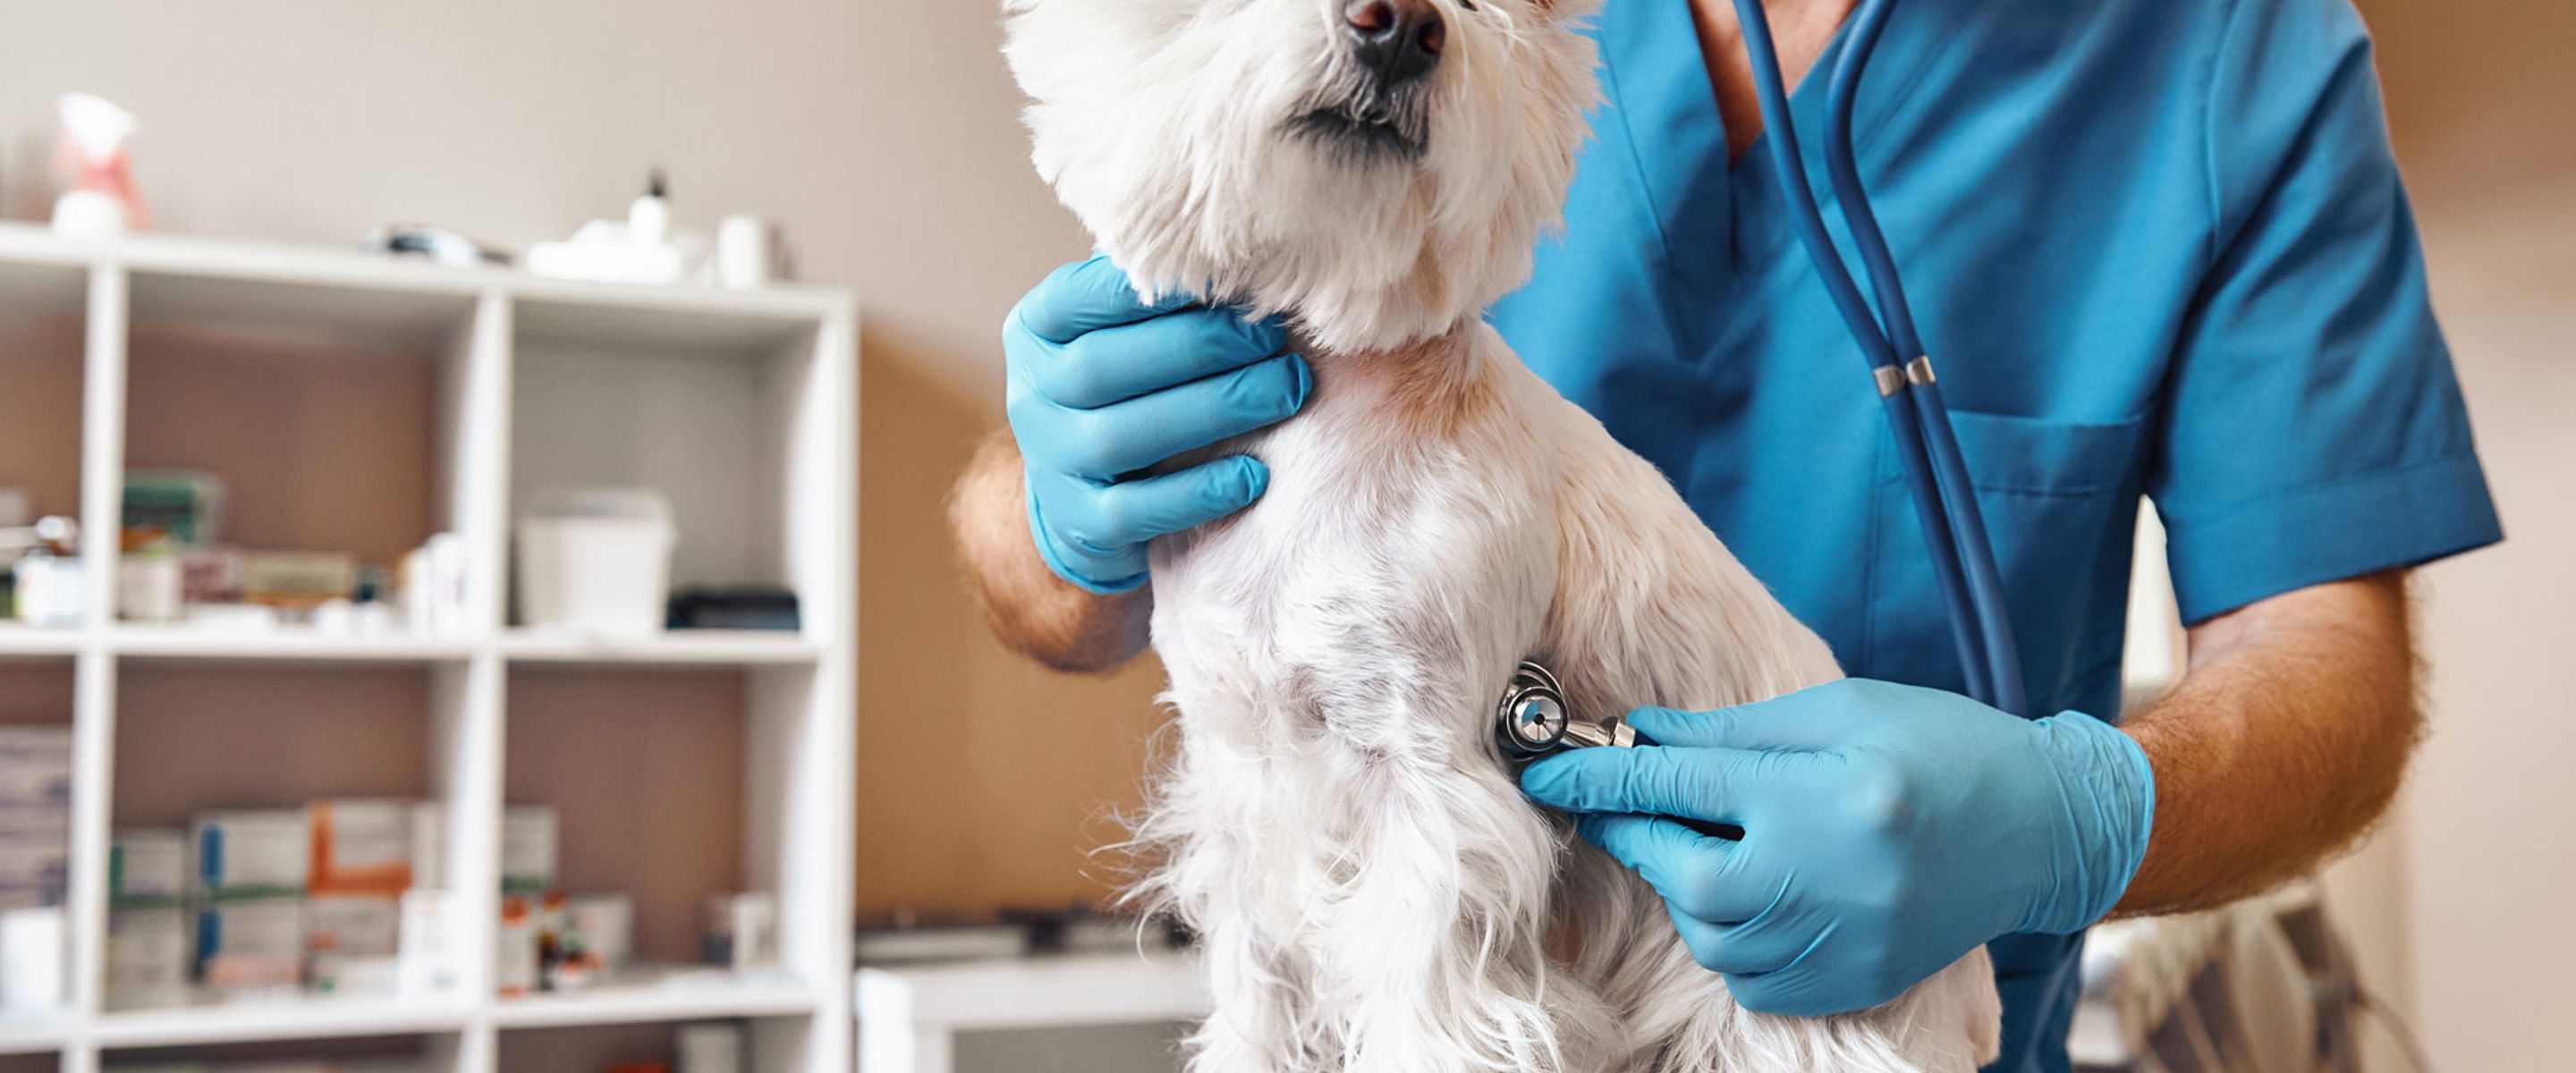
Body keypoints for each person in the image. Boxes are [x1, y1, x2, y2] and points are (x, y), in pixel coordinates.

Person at [949, 0, 2502, 1069]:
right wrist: (1055, 503)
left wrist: (2072, 813)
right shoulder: (1393, 32)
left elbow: (2333, 674)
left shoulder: (2230, 52)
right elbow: (1048, 576)